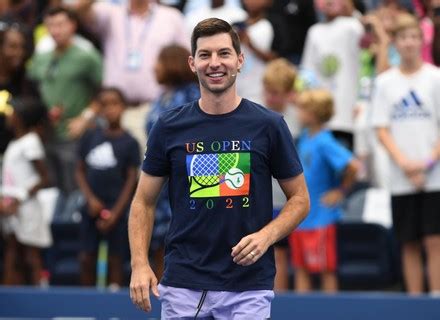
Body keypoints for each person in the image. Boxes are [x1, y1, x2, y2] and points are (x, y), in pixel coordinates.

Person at [128, 18, 310, 318]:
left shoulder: (269, 125)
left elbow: (301, 199)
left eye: (224, 53)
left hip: (248, 285)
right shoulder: (169, 126)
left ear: (240, 60)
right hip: (183, 283)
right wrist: (139, 263)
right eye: (205, 54)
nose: (215, 63)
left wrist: (266, 236)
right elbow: (143, 201)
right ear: (192, 63)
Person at [371, 13, 440, 295]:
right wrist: (405, 164)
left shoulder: (436, 78)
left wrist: (426, 163)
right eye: (403, 38)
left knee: (434, 241)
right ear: (395, 43)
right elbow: (381, 128)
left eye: (414, 37)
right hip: (401, 177)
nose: (409, 43)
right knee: (408, 241)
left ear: (421, 41)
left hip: (434, 177)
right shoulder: (385, 82)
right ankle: (413, 302)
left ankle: (436, 299)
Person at [74, 0, 188, 150]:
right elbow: (78, 9)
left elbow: (186, 59)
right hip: (115, 111)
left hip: (156, 109)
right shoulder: (110, 12)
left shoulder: (171, 17)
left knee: (151, 167)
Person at [27, 7, 103, 194]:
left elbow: (103, 93)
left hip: (73, 133)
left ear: (72, 25)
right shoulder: (42, 55)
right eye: (50, 25)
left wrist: (85, 118)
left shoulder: (86, 55)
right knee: (52, 190)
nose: (55, 30)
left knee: (75, 189)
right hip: (47, 133)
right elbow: (31, 86)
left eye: (60, 25)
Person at [290, 89, 358, 293]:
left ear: (314, 113)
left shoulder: (325, 141)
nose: (298, 112)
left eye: (303, 108)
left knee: (326, 269)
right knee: (301, 268)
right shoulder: (304, 137)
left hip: (321, 218)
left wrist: (340, 191)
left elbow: (353, 166)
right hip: (301, 218)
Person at [76, 87, 140, 287]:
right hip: (91, 208)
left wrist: (116, 212)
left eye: (115, 104)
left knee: (116, 259)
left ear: (123, 107)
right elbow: (79, 171)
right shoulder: (89, 136)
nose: (110, 109)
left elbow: (131, 180)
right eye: (104, 105)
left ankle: (113, 310)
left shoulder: (130, 142)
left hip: (117, 209)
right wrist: (90, 199)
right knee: (87, 257)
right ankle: (87, 307)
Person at [145, 44, 200, 280]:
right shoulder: (160, 97)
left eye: (159, 61)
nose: (153, 67)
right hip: (158, 177)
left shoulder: (191, 95)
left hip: (183, 177)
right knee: (157, 242)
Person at [1, 97, 50, 285]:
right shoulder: (14, 143)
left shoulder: (31, 141)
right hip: (10, 207)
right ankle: (10, 297)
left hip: (26, 207)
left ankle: (41, 294)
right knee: (13, 252)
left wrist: (18, 199)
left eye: (12, 112)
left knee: (31, 253)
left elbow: (44, 178)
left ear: (22, 117)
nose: (8, 115)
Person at [301, 0, 364, 150]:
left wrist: (361, 101)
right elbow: (307, 72)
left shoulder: (352, 26)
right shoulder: (314, 31)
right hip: (321, 115)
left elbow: (365, 57)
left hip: (347, 112)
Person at [262, 58, 299, 291]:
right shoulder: (258, 117)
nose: (270, 97)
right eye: (267, 91)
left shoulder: (300, 119)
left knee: (286, 256)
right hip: (268, 200)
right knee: (275, 254)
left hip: (291, 200)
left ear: (289, 93)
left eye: (276, 93)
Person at [0, 21, 38, 155]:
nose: (19, 53)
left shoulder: (26, 81)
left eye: (22, 47)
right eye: (12, 47)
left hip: (17, 157)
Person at [235, 0, 277, 104]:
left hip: (260, 89)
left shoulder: (274, 24)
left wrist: (250, 45)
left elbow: (276, 58)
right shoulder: (235, 24)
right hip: (237, 86)